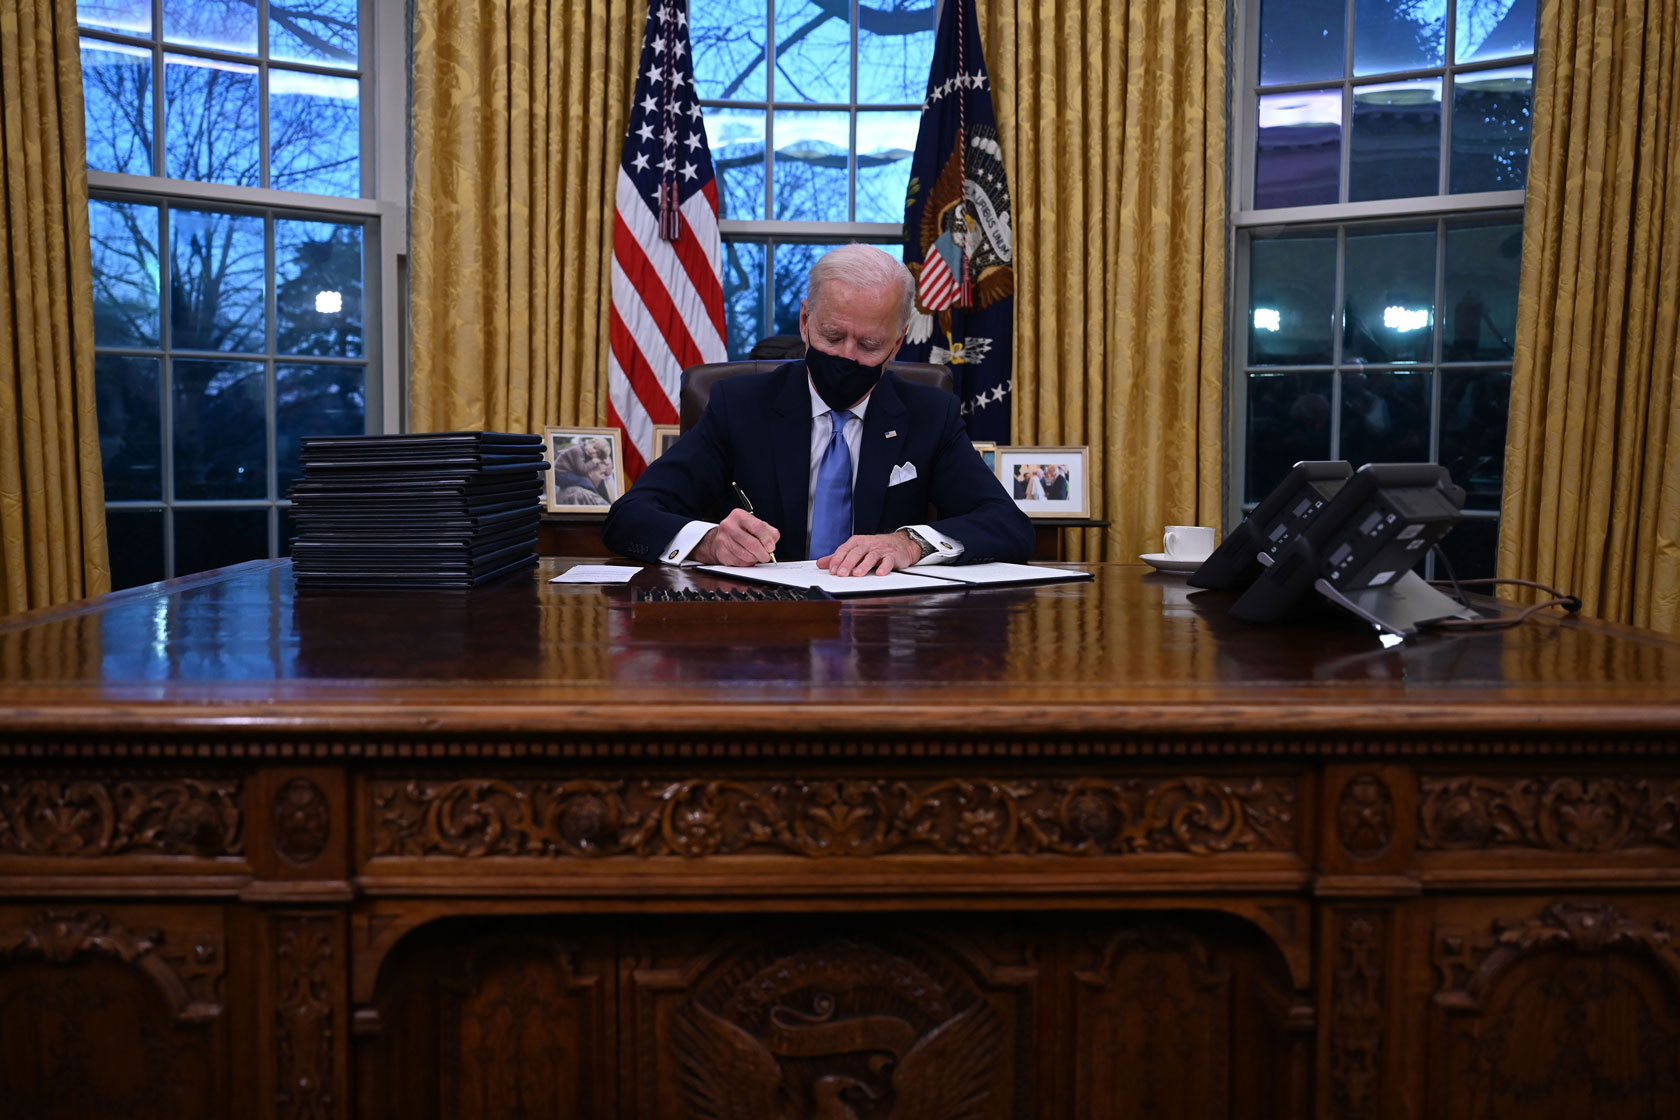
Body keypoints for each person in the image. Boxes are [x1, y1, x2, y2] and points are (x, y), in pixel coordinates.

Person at [602, 244, 1033, 574]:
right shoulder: (741, 406)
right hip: (762, 635)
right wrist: (707, 541)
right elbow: (631, 515)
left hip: (884, 635)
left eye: (868, 345)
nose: (846, 356)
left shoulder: (929, 414)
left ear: (898, 342)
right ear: (805, 322)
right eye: (832, 335)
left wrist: (911, 543)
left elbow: (1007, 525)